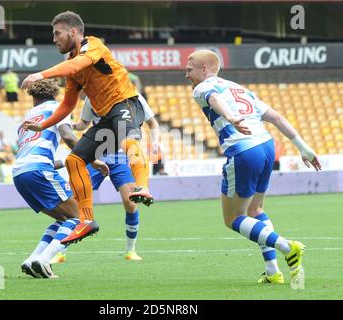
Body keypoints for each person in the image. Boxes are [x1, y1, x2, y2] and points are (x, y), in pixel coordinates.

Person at [185, 50, 321, 284]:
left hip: (244, 150)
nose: (186, 74)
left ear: (205, 69)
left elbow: (213, 100)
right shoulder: (239, 88)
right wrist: (304, 148)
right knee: (255, 209)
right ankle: (272, 272)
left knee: (233, 219)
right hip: (267, 146)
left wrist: (230, 117)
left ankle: (288, 247)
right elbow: (277, 118)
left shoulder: (202, 88)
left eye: (189, 69)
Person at [20, 11, 154, 245]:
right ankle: (86, 220)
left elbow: (76, 65)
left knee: (128, 139)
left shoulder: (92, 45)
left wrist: (40, 74)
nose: (54, 39)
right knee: (74, 160)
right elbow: (67, 105)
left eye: (57, 33)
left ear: (73, 32)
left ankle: (142, 186)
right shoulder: (72, 65)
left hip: (124, 103)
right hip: (105, 117)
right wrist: (41, 125)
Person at [12, 79, 105, 279]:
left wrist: (63, 162)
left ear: (34, 97)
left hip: (20, 174)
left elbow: (29, 153)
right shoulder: (58, 108)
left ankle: (32, 260)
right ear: (55, 94)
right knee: (79, 217)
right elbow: (68, 136)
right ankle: (44, 260)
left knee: (62, 218)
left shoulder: (26, 119)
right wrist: (92, 159)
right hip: (38, 170)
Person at [53, 94, 160, 263]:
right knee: (74, 202)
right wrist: (70, 126)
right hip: (95, 155)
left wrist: (155, 143)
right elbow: (84, 123)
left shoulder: (134, 98)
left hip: (121, 156)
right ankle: (60, 251)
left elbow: (152, 122)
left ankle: (130, 250)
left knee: (130, 202)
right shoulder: (91, 97)